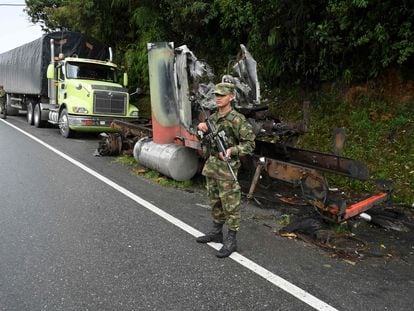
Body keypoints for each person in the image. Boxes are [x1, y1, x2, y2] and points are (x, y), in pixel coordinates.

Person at [196, 82, 255, 258]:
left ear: (232, 97)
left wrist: (232, 150)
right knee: (215, 201)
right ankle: (216, 232)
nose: (218, 98)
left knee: (231, 205)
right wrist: (201, 130)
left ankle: (231, 239)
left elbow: (250, 144)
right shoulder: (212, 118)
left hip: (227, 170)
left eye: (222, 95)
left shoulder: (237, 119)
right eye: (217, 95)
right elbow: (204, 140)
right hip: (212, 166)